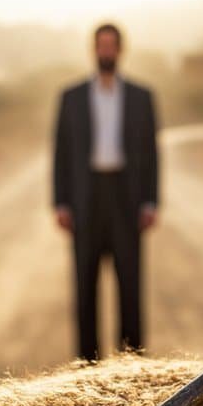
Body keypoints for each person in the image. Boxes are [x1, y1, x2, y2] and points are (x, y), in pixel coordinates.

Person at [53, 23, 160, 362]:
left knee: (130, 284)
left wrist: (151, 200)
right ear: (93, 49)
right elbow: (60, 153)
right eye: (101, 45)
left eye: (112, 45)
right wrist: (60, 202)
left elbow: (152, 153)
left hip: (126, 199)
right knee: (85, 287)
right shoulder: (70, 97)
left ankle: (132, 366)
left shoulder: (142, 97)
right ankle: (87, 365)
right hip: (86, 199)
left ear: (120, 50)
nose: (106, 51)